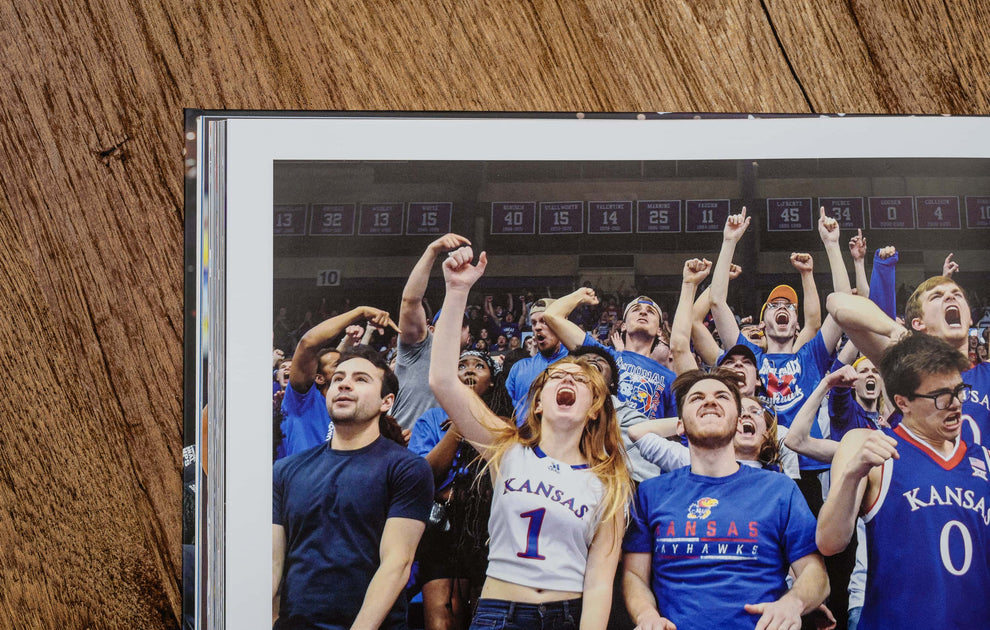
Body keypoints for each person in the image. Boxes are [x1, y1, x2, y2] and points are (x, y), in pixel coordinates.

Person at [430, 246, 633, 630]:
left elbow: (601, 581)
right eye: (557, 376)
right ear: (537, 403)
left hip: (568, 615)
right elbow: (442, 380)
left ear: (594, 408)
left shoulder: (609, 479)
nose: (568, 378)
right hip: (498, 613)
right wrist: (457, 291)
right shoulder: (506, 448)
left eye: (581, 379)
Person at [623, 369, 829, 630]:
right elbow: (634, 575)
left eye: (722, 397)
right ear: (680, 426)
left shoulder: (780, 489)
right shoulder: (650, 493)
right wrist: (646, 616)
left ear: (737, 420)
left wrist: (793, 603)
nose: (709, 401)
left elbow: (816, 574)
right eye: (696, 398)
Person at [816, 333, 990, 629]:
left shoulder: (984, 458)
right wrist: (852, 474)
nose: (955, 404)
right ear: (902, 402)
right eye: (940, 396)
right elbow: (830, 542)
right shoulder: (870, 447)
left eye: (959, 391)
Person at [272, 346, 435, 630]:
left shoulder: (407, 469)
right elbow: (272, 564)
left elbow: (396, 565)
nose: (345, 383)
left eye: (361, 379)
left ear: (387, 402)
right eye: (338, 379)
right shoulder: (286, 470)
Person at [709, 207, 847, 509]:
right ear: (763, 324)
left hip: (809, 467)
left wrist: (832, 245)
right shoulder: (750, 357)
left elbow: (843, 305)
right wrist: (729, 242)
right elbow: (717, 302)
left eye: (788, 306)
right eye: (773, 305)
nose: (781, 306)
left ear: (796, 324)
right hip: (758, 462)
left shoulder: (812, 355)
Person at [828, 272, 990, 447]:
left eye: (957, 294)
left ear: (970, 317)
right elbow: (836, 302)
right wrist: (894, 330)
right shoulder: (904, 370)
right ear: (918, 323)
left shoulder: (986, 374)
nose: (950, 296)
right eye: (937, 296)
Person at [409, 349, 508, 630]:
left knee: (485, 620)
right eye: (461, 365)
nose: (469, 370)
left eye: (479, 366)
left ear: (492, 381)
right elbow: (423, 477)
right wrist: (458, 427)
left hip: (489, 534)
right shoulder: (431, 419)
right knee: (441, 623)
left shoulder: (504, 423)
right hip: (443, 532)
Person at [280, 306, 398, 459]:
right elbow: (308, 344)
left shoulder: (353, 409)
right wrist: (359, 312)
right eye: (337, 366)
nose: (345, 369)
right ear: (319, 378)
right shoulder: (303, 402)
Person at [543, 288, 677, 420]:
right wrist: (579, 295)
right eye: (636, 310)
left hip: (644, 441)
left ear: (659, 331)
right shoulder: (603, 358)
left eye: (650, 312)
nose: (643, 312)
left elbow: (676, 430)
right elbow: (551, 315)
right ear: (623, 326)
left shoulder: (670, 378)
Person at [391, 233, 473, 432]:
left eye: (461, 325)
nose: (453, 326)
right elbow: (410, 302)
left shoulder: (475, 368)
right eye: (446, 321)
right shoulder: (418, 349)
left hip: (448, 455)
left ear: (469, 336)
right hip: (401, 445)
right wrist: (432, 251)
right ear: (431, 329)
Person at [504, 298, 569, 423]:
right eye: (534, 323)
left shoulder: (579, 364)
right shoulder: (519, 368)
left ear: (563, 322)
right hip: (526, 440)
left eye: (544, 321)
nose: (538, 327)